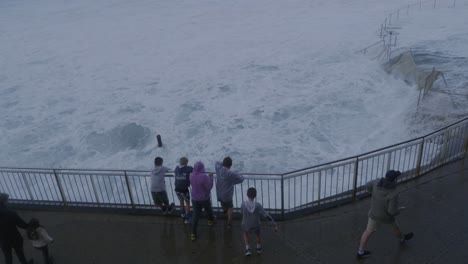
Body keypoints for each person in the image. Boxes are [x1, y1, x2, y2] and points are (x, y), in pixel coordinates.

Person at [357, 170, 414, 259]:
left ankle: (360, 252)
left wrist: (372, 192)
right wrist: (399, 210)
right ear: (394, 180)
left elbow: (367, 185)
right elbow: (392, 212)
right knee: (395, 228)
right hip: (386, 217)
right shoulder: (393, 193)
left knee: (367, 232)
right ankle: (402, 238)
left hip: (373, 214)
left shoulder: (376, 183)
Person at [241, 187, 277, 256]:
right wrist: (274, 224)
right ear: (255, 195)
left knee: (245, 233)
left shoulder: (243, 204)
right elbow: (266, 215)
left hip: (246, 224)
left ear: (247, 194)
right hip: (256, 224)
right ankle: (258, 248)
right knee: (257, 235)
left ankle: (248, 249)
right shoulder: (258, 205)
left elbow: (241, 212)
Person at [0, 193, 34, 264]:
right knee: (20, 253)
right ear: (4, 201)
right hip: (15, 238)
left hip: (3, 240)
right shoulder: (11, 213)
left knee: (8, 257)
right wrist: (30, 224)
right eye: (7, 200)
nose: (8, 201)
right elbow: (23, 225)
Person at [189, 161, 216, 241]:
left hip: (194, 198)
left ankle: (193, 233)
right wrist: (210, 177)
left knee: (196, 215)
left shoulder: (191, 175)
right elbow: (209, 187)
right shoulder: (204, 176)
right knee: (208, 210)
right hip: (204, 198)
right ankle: (210, 221)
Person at [215, 156, 244, 228]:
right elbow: (240, 179)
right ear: (231, 165)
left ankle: (225, 212)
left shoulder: (218, 169)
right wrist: (240, 178)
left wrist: (224, 163)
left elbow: (217, 162)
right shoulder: (231, 173)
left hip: (219, 193)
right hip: (227, 195)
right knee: (230, 207)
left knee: (222, 203)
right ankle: (229, 223)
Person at [174, 157, 193, 224]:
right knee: (187, 202)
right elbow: (192, 169)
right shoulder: (188, 168)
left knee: (181, 200)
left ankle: (182, 213)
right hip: (184, 189)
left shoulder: (176, 168)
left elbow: (176, 171)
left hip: (177, 188)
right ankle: (187, 218)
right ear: (186, 163)